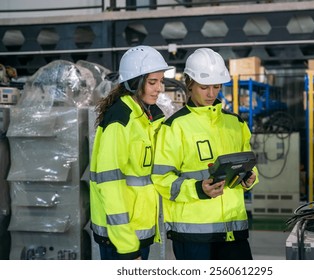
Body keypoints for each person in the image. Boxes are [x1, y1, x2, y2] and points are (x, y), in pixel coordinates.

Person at [151, 48, 259, 260]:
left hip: (232, 232)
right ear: (189, 84)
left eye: (216, 86)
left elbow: (249, 164)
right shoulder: (174, 127)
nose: (211, 94)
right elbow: (161, 180)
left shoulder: (235, 123)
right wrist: (198, 189)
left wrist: (251, 178)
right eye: (204, 87)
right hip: (192, 236)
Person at [89, 45, 172, 260]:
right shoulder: (121, 121)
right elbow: (111, 185)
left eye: (161, 81)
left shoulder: (148, 117)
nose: (159, 88)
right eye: (152, 82)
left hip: (138, 230)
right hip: (120, 238)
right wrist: (127, 246)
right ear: (135, 82)